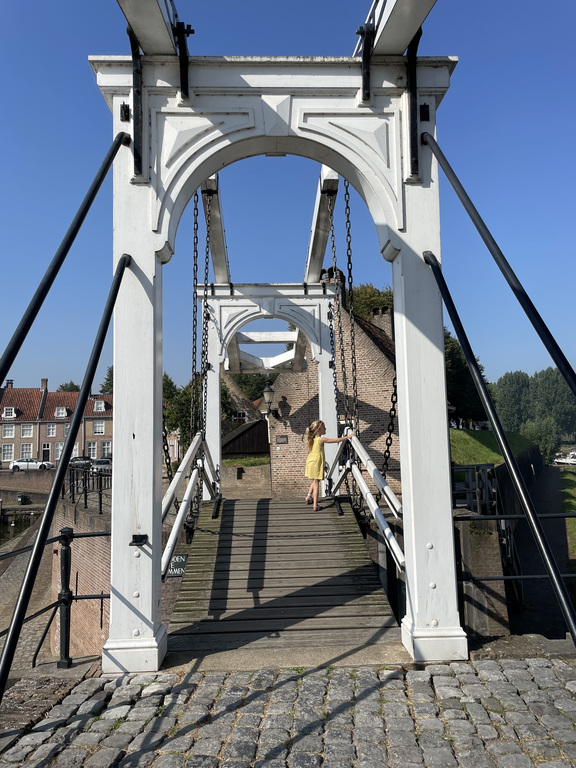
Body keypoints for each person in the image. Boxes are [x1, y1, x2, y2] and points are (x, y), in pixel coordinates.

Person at [304, 420, 350, 511]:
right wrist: (347, 437)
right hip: (316, 463)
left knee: (314, 480)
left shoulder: (311, 440)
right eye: (324, 428)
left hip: (310, 461)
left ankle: (309, 496)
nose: (325, 429)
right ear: (319, 430)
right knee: (317, 483)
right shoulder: (321, 439)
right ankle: (315, 505)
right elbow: (335, 440)